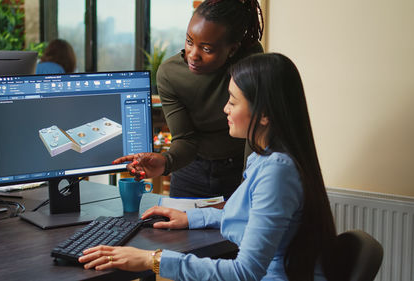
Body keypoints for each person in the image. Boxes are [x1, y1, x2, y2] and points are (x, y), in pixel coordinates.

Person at [79, 53, 338, 281]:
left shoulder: (277, 172)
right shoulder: (265, 159)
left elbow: (243, 273)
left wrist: (152, 260)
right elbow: (251, 220)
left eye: (233, 102)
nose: (225, 108)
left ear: (264, 114)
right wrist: (190, 218)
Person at [114, 0, 264, 199]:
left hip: (241, 169)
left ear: (232, 50)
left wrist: (249, 184)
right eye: (189, 41)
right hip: (191, 173)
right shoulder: (170, 74)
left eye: (207, 49)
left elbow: (253, 133)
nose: (193, 55)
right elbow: (185, 139)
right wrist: (165, 161)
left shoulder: (249, 61)